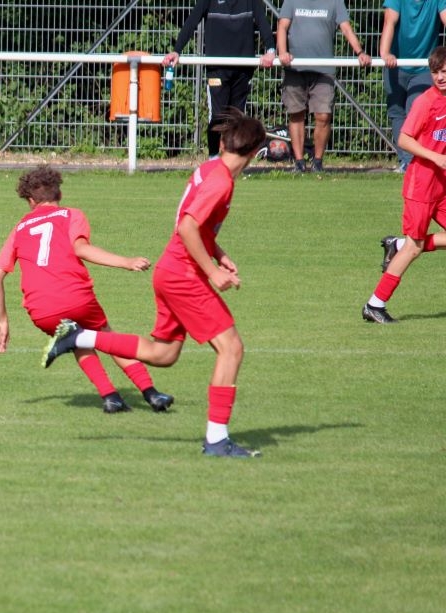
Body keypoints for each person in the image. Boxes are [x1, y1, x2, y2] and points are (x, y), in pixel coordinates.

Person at [42, 110, 267, 457]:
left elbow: (195, 224)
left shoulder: (211, 169)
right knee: (231, 348)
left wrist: (218, 253)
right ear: (255, 152)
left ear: (223, 143)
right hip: (183, 275)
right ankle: (217, 440)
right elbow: (188, 227)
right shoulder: (221, 181)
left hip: (172, 270)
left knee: (163, 354)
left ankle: (79, 336)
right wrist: (212, 271)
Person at [0, 165, 174, 414]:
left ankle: (111, 397)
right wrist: (126, 262)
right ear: (60, 195)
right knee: (106, 337)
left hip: (40, 310)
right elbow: (81, 249)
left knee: (79, 341)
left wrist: (2, 320)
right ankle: (151, 393)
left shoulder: (20, 227)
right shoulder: (70, 215)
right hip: (76, 298)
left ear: (31, 200)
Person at [363, 47, 446, 325]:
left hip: (442, 186)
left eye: (444, 72)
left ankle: (397, 244)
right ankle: (375, 304)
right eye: (436, 73)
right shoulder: (426, 102)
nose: (440, 78)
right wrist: (435, 157)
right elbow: (405, 139)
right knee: (414, 248)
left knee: (413, 244)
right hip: (422, 185)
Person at [161, 0, 277, 158]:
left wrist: (271, 50)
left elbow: (263, 24)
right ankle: (214, 159)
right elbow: (191, 22)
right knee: (217, 118)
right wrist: (176, 51)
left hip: (243, 70)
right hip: (217, 70)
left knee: (237, 119)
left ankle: (233, 160)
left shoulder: (251, 2)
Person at [276, 0, 371, 173]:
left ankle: (318, 162)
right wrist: (282, 52)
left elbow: (346, 28)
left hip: (324, 70)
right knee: (296, 114)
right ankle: (298, 162)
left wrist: (360, 52)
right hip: (295, 68)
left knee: (324, 115)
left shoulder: (335, 2)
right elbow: (282, 26)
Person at [379, 0, 446, 173]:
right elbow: (389, 21)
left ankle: (415, 162)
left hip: (423, 66)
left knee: (416, 111)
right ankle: (407, 162)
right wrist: (385, 53)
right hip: (396, 64)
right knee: (396, 112)